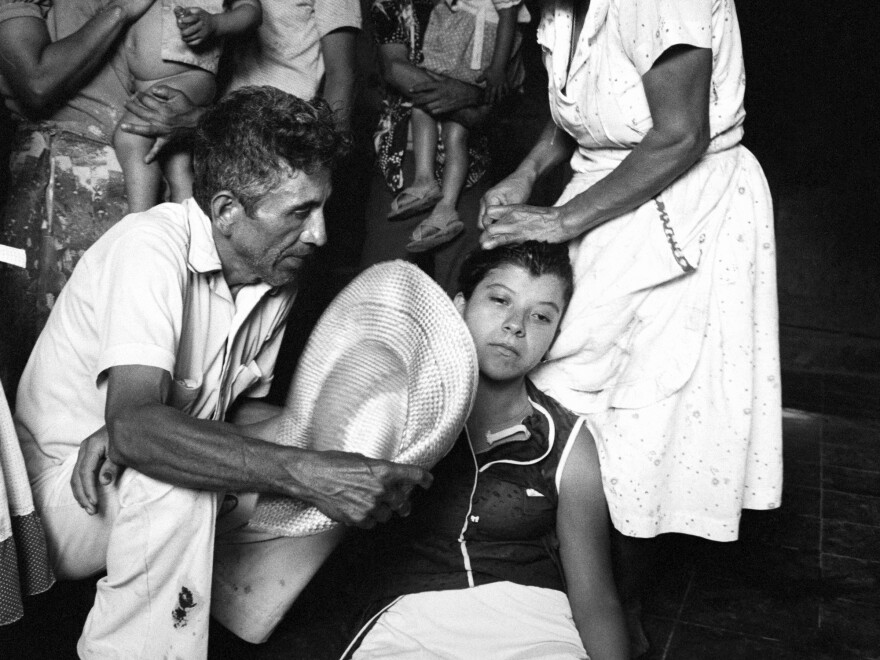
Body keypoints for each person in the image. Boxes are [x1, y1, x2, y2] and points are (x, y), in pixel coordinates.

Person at [13, 87, 430, 658]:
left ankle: (235, 616)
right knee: (180, 476)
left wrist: (346, 443)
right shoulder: (149, 249)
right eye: (301, 212)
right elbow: (137, 431)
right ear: (227, 209)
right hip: (58, 505)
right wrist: (305, 470)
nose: (320, 235)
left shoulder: (273, 276)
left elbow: (237, 418)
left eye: (323, 208)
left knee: (326, 465)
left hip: (131, 482)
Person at [478, 0, 782, 652]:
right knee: (555, 388)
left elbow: (679, 134)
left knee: (639, 425)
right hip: (606, 195)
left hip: (689, 203)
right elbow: (577, 118)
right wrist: (527, 173)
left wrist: (559, 222)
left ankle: (618, 622)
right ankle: (563, 601)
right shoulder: (556, 10)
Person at [343, 241, 629, 659]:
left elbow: (594, 596)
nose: (516, 325)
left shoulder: (568, 440)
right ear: (459, 306)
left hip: (536, 629)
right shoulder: (397, 406)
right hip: (409, 623)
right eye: (499, 300)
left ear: (554, 336)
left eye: (541, 316)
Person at [0, 0, 202, 396]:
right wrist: (122, 9)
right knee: (40, 368)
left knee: (127, 360)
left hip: (148, 176)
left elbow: (209, 80)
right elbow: (36, 82)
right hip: (56, 183)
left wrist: (192, 118)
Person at [361, 0, 493, 295]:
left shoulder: (490, 6)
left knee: (464, 285)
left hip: (469, 165)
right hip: (403, 161)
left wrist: (475, 96)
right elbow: (396, 69)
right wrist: (471, 99)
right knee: (381, 286)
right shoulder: (392, 5)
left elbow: (506, 82)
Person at [392, 0, 529, 254]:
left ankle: (446, 207)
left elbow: (509, 14)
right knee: (423, 105)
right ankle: (424, 181)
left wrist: (498, 67)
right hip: (455, 36)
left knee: (456, 131)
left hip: (476, 45)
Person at [113, 0, 262, 212]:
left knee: (131, 137)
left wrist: (216, 23)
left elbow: (251, 11)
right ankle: (189, 235)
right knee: (178, 165)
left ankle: (138, 226)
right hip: (145, 84)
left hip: (189, 77)